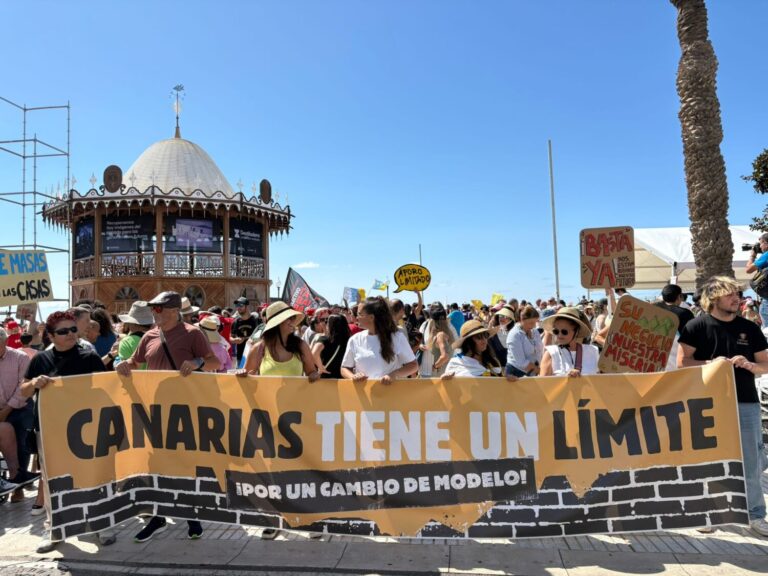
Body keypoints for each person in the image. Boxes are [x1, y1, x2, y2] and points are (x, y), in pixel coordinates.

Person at [116, 291, 220, 542]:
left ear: (174, 311)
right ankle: (159, 516)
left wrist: (197, 362)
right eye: (153, 308)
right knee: (157, 464)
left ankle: (191, 514)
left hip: (185, 410)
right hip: (156, 410)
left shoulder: (193, 333)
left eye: (158, 308)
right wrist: (124, 364)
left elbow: (214, 362)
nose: (154, 312)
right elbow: (135, 361)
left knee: (184, 463)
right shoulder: (149, 336)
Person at [678, 276, 768, 536]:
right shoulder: (696, 326)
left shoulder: (749, 328)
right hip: (706, 402)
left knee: (750, 461)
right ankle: (708, 512)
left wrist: (750, 365)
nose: (737, 299)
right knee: (707, 459)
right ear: (714, 298)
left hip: (745, 401)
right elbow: (682, 363)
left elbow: (765, 364)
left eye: (737, 294)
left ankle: (755, 515)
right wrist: (711, 363)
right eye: (730, 295)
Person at [20, 311, 114, 552]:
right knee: (54, 480)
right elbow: (23, 390)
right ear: (51, 336)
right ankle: (54, 529)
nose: (71, 334)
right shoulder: (40, 360)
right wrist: (34, 383)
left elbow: (105, 388)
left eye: (73, 329)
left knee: (92, 476)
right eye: (63, 331)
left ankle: (101, 524)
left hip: (85, 428)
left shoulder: (89, 357)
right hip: (50, 430)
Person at [238, 301, 319, 539]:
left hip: (296, 417)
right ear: (277, 323)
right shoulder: (259, 348)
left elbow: (311, 371)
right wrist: (243, 375)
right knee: (271, 471)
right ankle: (273, 519)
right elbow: (249, 377)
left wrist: (314, 375)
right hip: (268, 419)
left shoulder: (300, 345)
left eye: (293, 319)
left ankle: (305, 519)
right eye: (288, 319)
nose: (293, 323)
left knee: (299, 469)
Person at [0, 327, 38, 505]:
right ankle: (16, 478)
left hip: (19, 406)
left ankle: (18, 487)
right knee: (6, 430)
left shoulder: (20, 358)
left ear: (5, 342)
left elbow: (23, 389)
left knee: (22, 438)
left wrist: (6, 410)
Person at [340, 296, 418, 383]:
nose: (356, 317)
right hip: (362, 392)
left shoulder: (397, 337)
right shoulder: (354, 339)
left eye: (359, 314)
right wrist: (353, 376)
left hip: (390, 391)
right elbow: (344, 368)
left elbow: (413, 365)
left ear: (371, 317)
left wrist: (394, 375)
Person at [443, 320, 514, 378]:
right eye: (479, 337)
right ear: (468, 342)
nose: (484, 341)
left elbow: (499, 383)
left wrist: (507, 379)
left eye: (485, 335)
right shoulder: (456, 363)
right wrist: (446, 379)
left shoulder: (493, 361)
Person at [540, 307, 599, 377]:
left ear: (576, 331)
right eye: (556, 331)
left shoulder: (592, 351)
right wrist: (565, 378)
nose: (559, 335)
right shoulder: (551, 353)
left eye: (564, 332)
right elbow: (543, 382)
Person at [656, 283, 695, 371]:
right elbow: (692, 336)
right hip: (679, 357)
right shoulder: (685, 313)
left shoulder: (655, 311)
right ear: (679, 297)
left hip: (658, 356)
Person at [114, 301, 154, 368]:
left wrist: (115, 362)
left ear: (133, 323)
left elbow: (124, 370)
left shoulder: (126, 342)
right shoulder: (159, 338)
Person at [506, 305, 543, 377]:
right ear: (522, 320)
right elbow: (521, 362)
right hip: (516, 373)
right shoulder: (514, 334)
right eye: (531, 323)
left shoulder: (535, 331)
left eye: (535, 322)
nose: (534, 326)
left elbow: (540, 351)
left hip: (533, 372)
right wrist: (540, 371)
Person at [311, 314, 351, 378]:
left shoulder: (324, 339)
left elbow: (314, 353)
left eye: (327, 321)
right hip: (344, 376)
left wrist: (321, 367)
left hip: (326, 376)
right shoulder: (349, 340)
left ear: (330, 325)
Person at [420, 304, 454, 377]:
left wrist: (434, 366)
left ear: (433, 321)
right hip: (446, 373)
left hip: (440, 375)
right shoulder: (448, 333)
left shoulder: (440, 335)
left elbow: (444, 356)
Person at [745, 233, 768, 326]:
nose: (760, 246)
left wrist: (752, 255)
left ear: (766, 244)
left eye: (761, 243)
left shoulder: (766, 255)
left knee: (766, 329)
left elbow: (748, 270)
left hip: (767, 300)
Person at [230, 297, 259, 365]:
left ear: (247, 306)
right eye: (237, 305)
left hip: (254, 356)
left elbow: (262, 337)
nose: (238, 307)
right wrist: (234, 340)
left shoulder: (256, 320)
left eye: (241, 305)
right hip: (240, 357)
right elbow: (230, 337)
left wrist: (253, 340)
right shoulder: (235, 322)